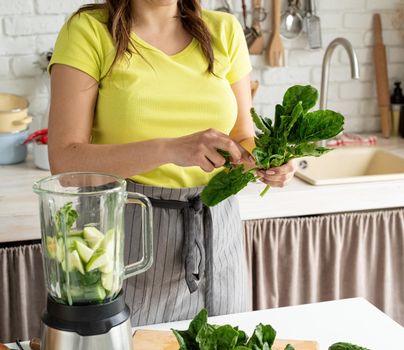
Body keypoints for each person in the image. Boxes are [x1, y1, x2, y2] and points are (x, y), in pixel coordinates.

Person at [47, 0, 296, 326]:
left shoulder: (224, 30)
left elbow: (242, 136)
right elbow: (65, 163)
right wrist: (171, 148)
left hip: (217, 231)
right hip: (129, 236)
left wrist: (268, 161)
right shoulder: (89, 30)